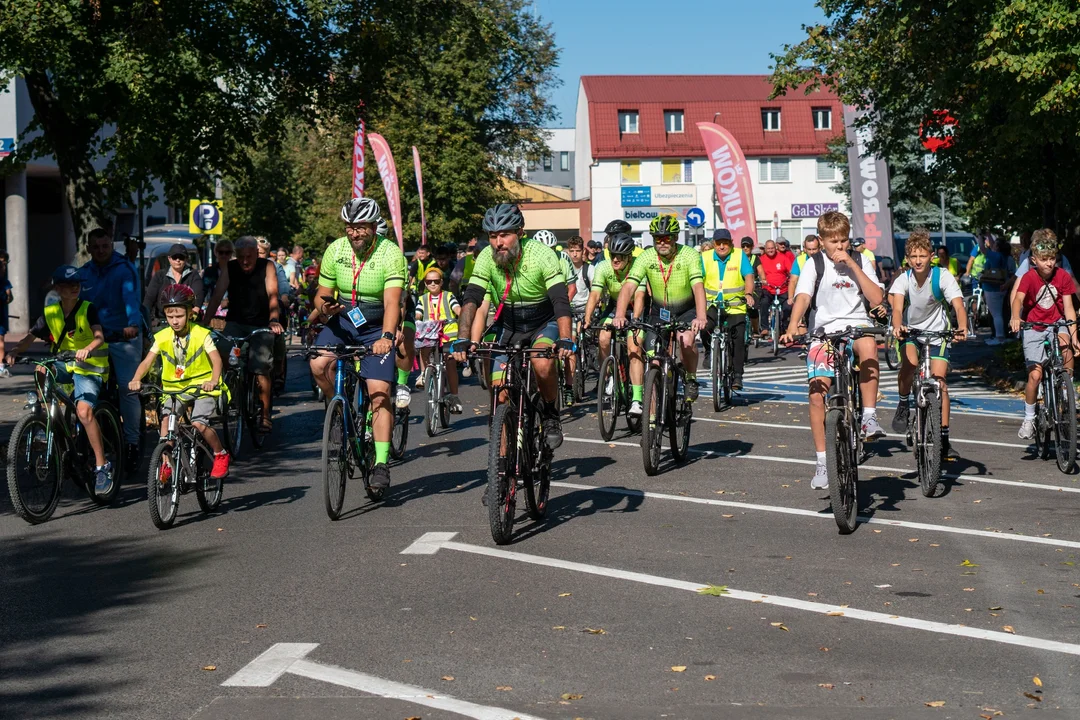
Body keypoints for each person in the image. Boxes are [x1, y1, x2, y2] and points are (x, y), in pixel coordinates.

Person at [452, 203, 574, 451]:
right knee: (500, 394)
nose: (498, 242)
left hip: (543, 322)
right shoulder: (486, 257)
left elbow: (560, 301)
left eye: (504, 234)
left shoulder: (542, 254)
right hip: (508, 325)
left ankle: (551, 414)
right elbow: (472, 298)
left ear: (519, 232)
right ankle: (499, 475)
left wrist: (565, 337)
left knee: (542, 362)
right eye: (493, 236)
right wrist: (462, 337)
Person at [780, 211, 886, 490]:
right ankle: (822, 461)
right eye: (834, 242)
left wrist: (852, 263)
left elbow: (876, 297)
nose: (839, 246)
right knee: (817, 393)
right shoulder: (813, 264)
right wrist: (793, 326)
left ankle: (869, 417)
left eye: (844, 241)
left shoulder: (860, 259)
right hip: (823, 331)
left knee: (868, 345)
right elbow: (803, 297)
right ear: (822, 241)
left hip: (857, 324)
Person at [310, 198, 407, 490]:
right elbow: (320, 295)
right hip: (344, 320)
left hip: (376, 325)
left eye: (361, 227)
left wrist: (387, 337)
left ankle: (380, 463)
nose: (355, 233)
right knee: (317, 363)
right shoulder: (335, 250)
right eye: (350, 227)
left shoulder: (390, 253)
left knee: (379, 392)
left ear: (374, 226)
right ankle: (336, 410)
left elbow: (392, 303)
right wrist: (327, 309)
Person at [8, 265, 113, 492]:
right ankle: (43, 417)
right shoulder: (51, 312)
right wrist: (15, 351)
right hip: (66, 363)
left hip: (90, 367)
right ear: (58, 288)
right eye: (68, 285)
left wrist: (88, 348)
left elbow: (98, 336)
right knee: (41, 367)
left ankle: (102, 466)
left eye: (77, 284)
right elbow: (30, 336)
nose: (74, 288)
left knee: (84, 412)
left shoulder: (87, 308)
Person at [129, 284, 231, 480]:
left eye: (179, 316)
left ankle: (220, 453)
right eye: (170, 316)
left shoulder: (202, 334)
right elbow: (147, 362)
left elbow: (216, 360)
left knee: (198, 423)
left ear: (189, 313)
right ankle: (166, 461)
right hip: (175, 388)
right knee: (167, 423)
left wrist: (213, 380)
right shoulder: (162, 337)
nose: (174, 321)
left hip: (202, 387)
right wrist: (136, 379)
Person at [888, 229, 968, 459]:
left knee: (940, 383)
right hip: (911, 331)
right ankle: (903, 404)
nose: (918, 260)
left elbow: (958, 306)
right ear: (908, 259)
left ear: (931, 256)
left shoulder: (942, 276)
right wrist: (897, 326)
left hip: (938, 333)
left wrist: (962, 328)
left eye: (922, 255)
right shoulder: (904, 279)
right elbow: (896, 308)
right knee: (910, 364)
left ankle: (943, 437)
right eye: (913, 256)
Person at [612, 214, 707, 401]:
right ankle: (652, 419)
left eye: (667, 238)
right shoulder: (646, 257)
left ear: (676, 238)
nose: (662, 242)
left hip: (686, 309)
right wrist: (620, 315)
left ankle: (691, 378)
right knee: (653, 360)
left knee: (686, 340)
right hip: (659, 311)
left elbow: (697, 286)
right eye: (657, 239)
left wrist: (701, 316)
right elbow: (629, 286)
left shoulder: (689, 255)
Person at [204, 236, 283, 434]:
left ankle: (265, 415)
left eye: (249, 256)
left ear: (257, 253)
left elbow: (273, 295)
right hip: (235, 322)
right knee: (220, 349)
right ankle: (233, 387)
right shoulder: (230, 268)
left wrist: (274, 319)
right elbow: (217, 295)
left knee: (261, 366)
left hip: (260, 323)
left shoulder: (268, 266)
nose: (245, 261)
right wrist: (203, 323)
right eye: (240, 257)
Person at [79, 227, 144, 471]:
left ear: (111, 246)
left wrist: (132, 324)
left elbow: (131, 300)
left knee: (128, 388)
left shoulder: (123, 269)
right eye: (95, 247)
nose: (100, 251)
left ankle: (132, 442)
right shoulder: (83, 273)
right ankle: (87, 439)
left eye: (105, 246)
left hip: (122, 335)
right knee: (84, 388)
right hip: (94, 339)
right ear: (88, 249)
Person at [1010, 229, 1079, 440]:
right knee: (1035, 375)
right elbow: (1018, 300)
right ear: (1034, 260)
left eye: (1052, 259)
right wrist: (1015, 316)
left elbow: (1068, 308)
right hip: (1034, 326)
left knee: (1067, 350)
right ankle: (1029, 418)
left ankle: (1066, 393)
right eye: (1044, 259)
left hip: (1056, 323)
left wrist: (1074, 336)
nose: (1049, 263)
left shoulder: (1063, 277)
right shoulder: (1029, 278)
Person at [582, 232, 647, 414]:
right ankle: (609, 374)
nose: (615, 259)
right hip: (613, 306)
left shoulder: (637, 267)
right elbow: (595, 294)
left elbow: (640, 296)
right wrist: (587, 319)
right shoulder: (603, 266)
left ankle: (637, 399)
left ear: (629, 256)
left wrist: (634, 320)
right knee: (603, 337)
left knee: (634, 347)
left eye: (620, 256)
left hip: (635, 307)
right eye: (613, 255)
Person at [701, 229, 755, 389]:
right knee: (704, 328)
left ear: (731, 243)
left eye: (725, 243)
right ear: (713, 244)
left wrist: (748, 293)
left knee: (738, 340)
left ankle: (737, 375)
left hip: (735, 306)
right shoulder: (705, 257)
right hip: (711, 305)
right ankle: (709, 351)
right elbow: (697, 281)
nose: (722, 246)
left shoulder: (739, 255)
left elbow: (749, 276)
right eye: (719, 243)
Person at [414, 267, 462, 413]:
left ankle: (454, 397)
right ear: (425, 284)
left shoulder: (448, 296)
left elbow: (458, 309)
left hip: (448, 333)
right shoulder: (422, 299)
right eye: (429, 281)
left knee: (450, 363)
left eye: (436, 281)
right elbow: (418, 314)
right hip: (430, 333)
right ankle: (424, 374)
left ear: (441, 282)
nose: (433, 284)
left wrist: (461, 316)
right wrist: (417, 320)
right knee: (424, 348)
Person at [143, 244, 205, 326]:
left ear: (186, 259)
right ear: (169, 258)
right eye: (174, 257)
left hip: (187, 321)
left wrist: (194, 311)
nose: (178, 260)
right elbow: (149, 299)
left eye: (181, 257)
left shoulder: (193, 274)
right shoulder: (160, 275)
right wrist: (150, 320)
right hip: (163, 321)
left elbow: (199, 294)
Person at [756, 239, 793, 336]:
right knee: (764, 303)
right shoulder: (761, 259)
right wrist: (761, 280)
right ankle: (764, 328)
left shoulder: (783, 258)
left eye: (772, 248)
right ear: (765, 249)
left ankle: (784, 327)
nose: (770, 250)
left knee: (787, 307)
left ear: (775, 248)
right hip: (768, 289)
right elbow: (757, 272)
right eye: (768, 248)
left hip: (782, 288)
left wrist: (791, 278)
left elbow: (791, 271)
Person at [978, 235, 1010, 345]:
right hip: (1001, 287)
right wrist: (988, 233)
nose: (992, 245)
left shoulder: (995, 256)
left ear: (997, 247)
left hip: (992, 288)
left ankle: (999, 337)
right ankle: (1000, 335)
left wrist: (979, 236)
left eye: (995, 244)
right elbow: (991, 245)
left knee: (996, 314)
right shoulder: (1003, 256)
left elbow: (982, 248)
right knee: (999, 313)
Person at [202, 241, 234, 307]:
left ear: (231, 254)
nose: (224, 255)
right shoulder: (209, 271)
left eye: (227, 253)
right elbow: (203, 290)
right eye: (221, 252)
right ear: (216, 253)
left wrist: (228, 301)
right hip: (213, 308)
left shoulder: (237, 271)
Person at [0, 251, 13, 377]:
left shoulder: (5, 282)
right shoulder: (4, 282)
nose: (4, 267)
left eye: (4, 263)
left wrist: (6, 299)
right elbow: (10, 297)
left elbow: (10, 297)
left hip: (1, 316)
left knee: (0, 341)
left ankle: (1, 366)